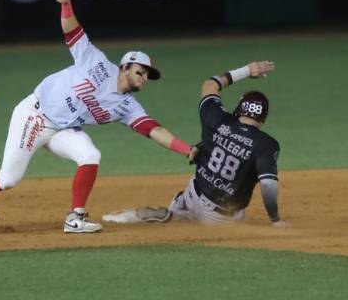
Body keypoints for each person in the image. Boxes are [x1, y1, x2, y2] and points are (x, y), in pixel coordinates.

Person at [0, 0, 195, 234]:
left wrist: (186, 150)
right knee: (8, 179)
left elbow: (153, 129)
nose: (143, 78)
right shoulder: (96, 61)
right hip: (35, 115)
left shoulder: (128, 106)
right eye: (140, 71)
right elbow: (72, 31)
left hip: (64, 129)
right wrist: (66, 4)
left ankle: (75, 217)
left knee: (90, 155)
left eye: (147, 76)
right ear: (125, 67)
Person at [102, 60, 287, 227]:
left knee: (203, 158)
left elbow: (210, 84)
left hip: (193, 195)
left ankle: (166, 214)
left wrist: (247, 70)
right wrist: (275, 219)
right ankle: (176, 218)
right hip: (220, 218)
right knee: (235, 209)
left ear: (239, 110)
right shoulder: (267, 144)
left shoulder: (216, 117)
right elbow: (269, 184)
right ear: (263, 119)